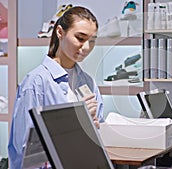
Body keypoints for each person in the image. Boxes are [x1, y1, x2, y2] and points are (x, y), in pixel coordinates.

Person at [8, 6, 104, 169]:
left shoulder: (88, 82)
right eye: (80, 38)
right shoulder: (36, 83)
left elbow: (97, 136)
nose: (86, 47)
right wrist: (75, 122)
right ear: (60, 32)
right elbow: (25, 152)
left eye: (92, 40)